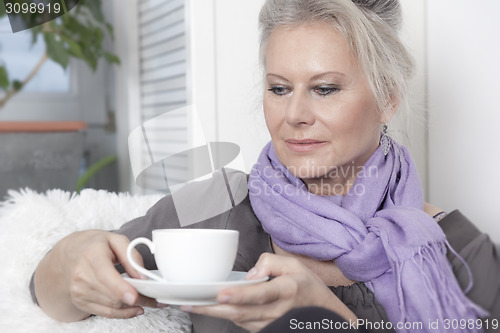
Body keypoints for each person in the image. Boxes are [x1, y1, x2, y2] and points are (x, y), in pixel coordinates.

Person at [31, 0, 500, 332]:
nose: (293, 115)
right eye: (279, 88)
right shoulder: (216, 204)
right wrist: (73, 258)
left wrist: (326, 323)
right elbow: (44, 293)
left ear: (387, 99)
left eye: (325, 88)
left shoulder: (459, 253)